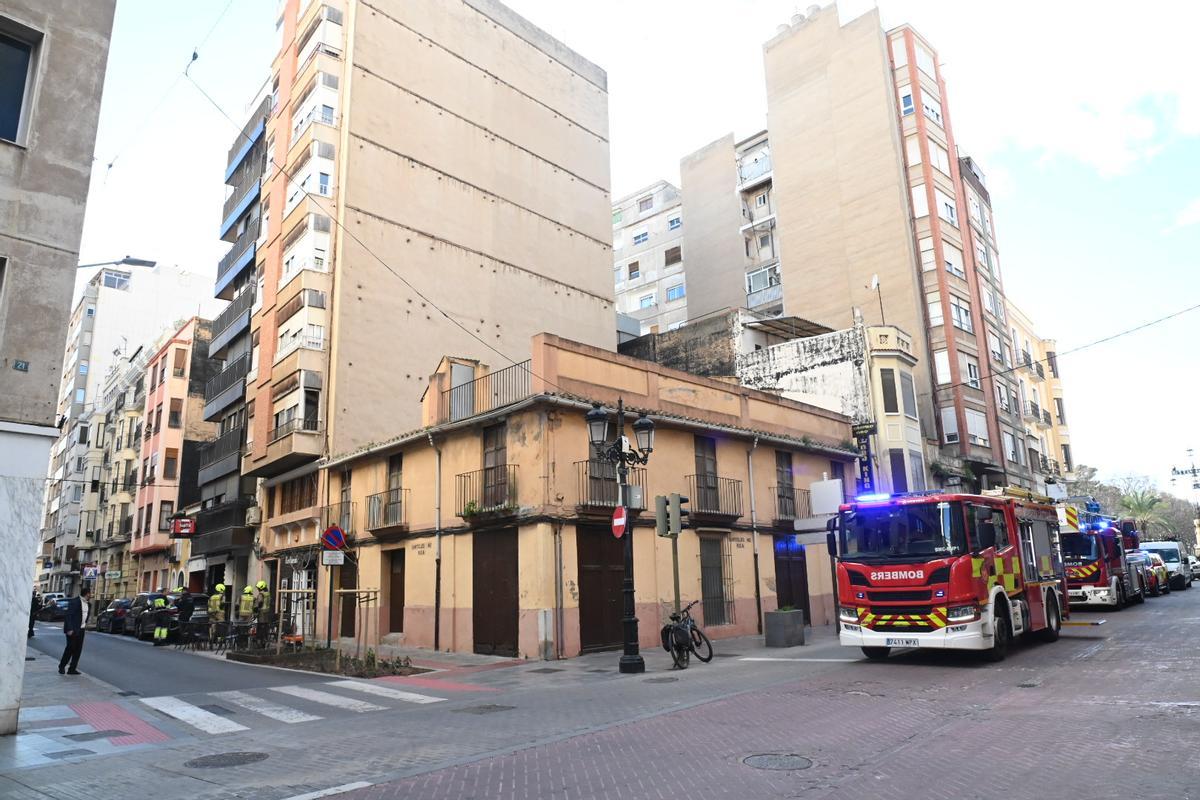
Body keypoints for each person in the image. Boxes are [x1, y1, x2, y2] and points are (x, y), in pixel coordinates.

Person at [59, 585, 90, 675]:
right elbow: (69, 616)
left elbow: (85, 614)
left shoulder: (88, 604)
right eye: (90, 594)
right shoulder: (75, 602)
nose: (90, 596)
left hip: (81, 629)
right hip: (72, 629)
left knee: (78, 650)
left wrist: (85, 623)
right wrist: (69, 628)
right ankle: (62, 666)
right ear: (87, 594)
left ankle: (72, 669)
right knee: (70, 648)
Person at [254, 579, 272, 646]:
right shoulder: (268, 593)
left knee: (260, 627)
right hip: (267, 612)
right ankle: (265, 640)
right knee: (265, 628)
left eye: (258, 588)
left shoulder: (261, 594)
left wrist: (256, 610)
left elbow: (260, 602)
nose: (258, 589)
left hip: (261, 612)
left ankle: (259, 641)